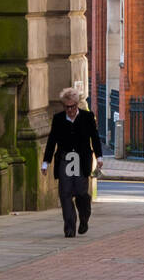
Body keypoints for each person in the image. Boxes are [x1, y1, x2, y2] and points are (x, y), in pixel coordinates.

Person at [41, 88, 103, 237]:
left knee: (82, 193)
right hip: (65, 159)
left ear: (77, 104)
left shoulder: (87, 117)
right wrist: (45, 162)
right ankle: (69, 227)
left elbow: (94, 138)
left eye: (72, 106)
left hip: (81, 160)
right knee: (65, 193)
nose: (70, 110)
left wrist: (99, 157)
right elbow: (51, 141)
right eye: (67, 107)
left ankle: (84, 217)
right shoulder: (58, 119)